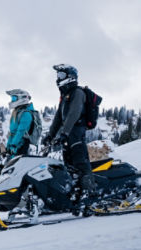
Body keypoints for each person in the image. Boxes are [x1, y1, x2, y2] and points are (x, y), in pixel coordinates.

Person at [42, 64, 96, 194]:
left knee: (80, 163)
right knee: (69, 166)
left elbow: (74, 113)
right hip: (68, 135)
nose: (58, 79)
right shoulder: (65, 96)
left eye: (61, 75)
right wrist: (50, 135)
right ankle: (75, 193)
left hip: (76, 132)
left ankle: (90, 192)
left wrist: (65, 132)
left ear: (70, 77)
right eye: (58, 75)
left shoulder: (77, 92)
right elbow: (58, 119)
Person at [6, 89, 34, 157]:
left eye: (14, 98)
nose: (12, 101)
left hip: (21, 146)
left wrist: (13, 145)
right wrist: (8, 147)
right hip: (14, 146)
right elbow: (12, 133)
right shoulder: (16, 112)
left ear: (22, 98)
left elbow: (20, 132)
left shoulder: (26, 114)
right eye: (12, 98)